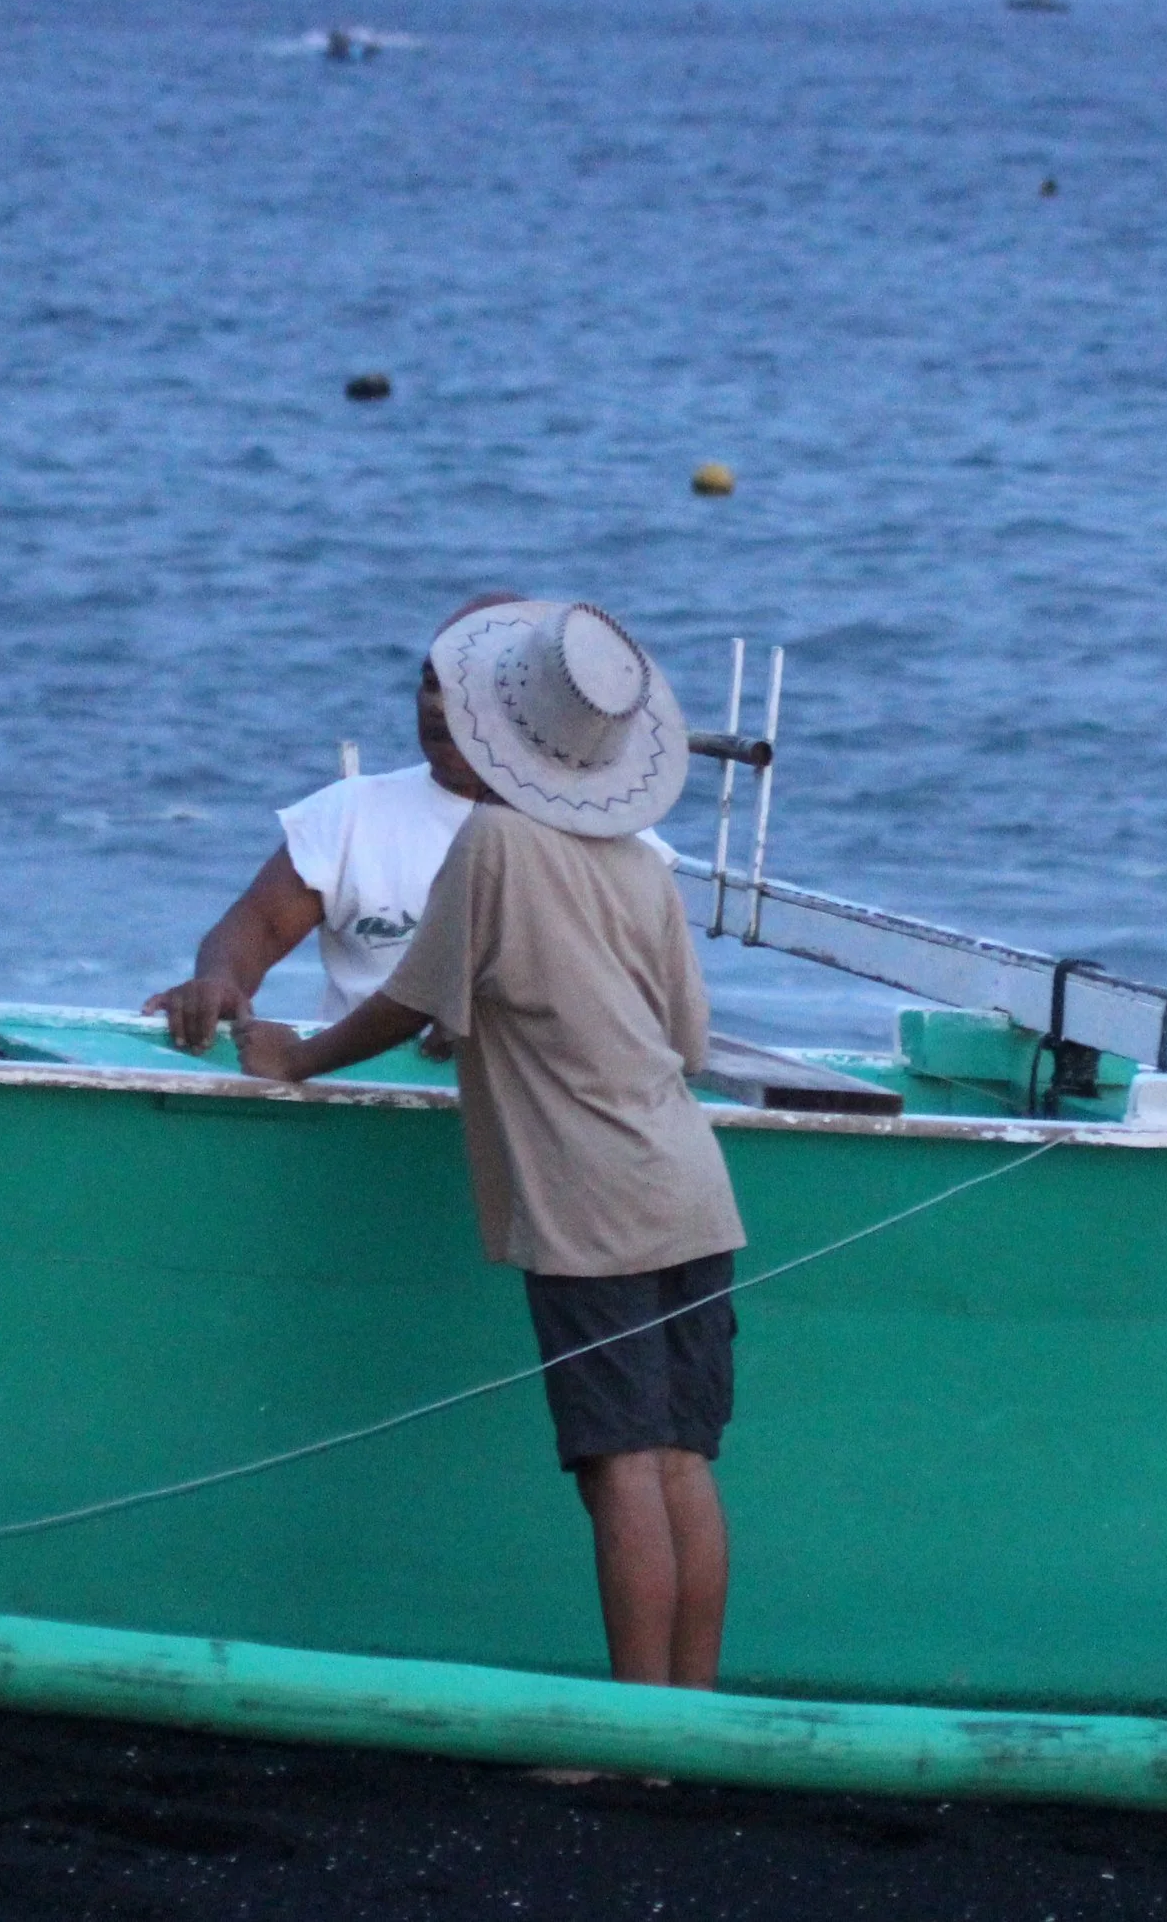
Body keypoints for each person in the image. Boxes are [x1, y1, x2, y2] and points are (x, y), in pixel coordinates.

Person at [231, 600, 744, 1692]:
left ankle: (632, 1733)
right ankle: (695, 1725)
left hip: (588, 1197)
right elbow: (685, 1039)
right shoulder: (637, 862)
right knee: (681, 1460)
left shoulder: (496, 840)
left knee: (615, 1467)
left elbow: (413, 998)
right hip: (690, 1180)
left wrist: (297, 1060)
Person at [145, 593, 672, 1052]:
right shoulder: (352, 812)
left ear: (529, 708)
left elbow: (644, 997)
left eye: (471, 689)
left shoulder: (614, 838)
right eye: (430, 682)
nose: (440, 707)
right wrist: (219, 981)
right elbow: (257, 925)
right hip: (357, 1084)